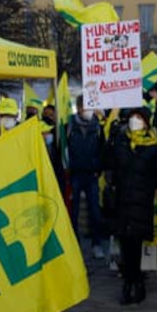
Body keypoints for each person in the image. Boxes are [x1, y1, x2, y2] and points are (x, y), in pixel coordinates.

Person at [102, 108, 157, 304]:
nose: (134, 121)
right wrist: (110, 139)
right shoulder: (120, 143)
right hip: (122, 200)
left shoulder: (153, 146)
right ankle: (129, 282)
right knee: (125, 243)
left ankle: (136, 281)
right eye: (131, 118)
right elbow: (107, 162)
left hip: (141, 200)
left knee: (135, 242)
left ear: (146, 122)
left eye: (138, 118)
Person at [66, 100, 106, 259]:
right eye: (84, 107)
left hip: (92, 175)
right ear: (79, 108)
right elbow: (64, 147)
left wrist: (98, 168)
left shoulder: (98, 127)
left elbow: (103, 149)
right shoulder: (69, 126)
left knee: (95, 211)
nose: (87, 110)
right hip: (75, 174)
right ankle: (75, 244)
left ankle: (97, 244)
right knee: (73, 211)